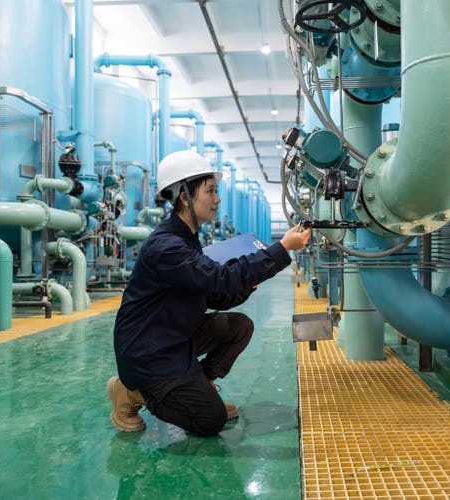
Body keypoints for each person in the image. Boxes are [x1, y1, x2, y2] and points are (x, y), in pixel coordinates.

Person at [108, 149, 311, 437]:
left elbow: (211, 294)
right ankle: (134, 393)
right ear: (184, 196)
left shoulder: (186, 240)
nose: (217, 200)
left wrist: (247, 285)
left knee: (239, 326)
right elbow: (220, 277)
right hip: (150, 351)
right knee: (210, 421)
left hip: (173, 336)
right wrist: (282, 249)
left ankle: (198, 387)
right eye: (211, 191)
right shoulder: (167, 246)